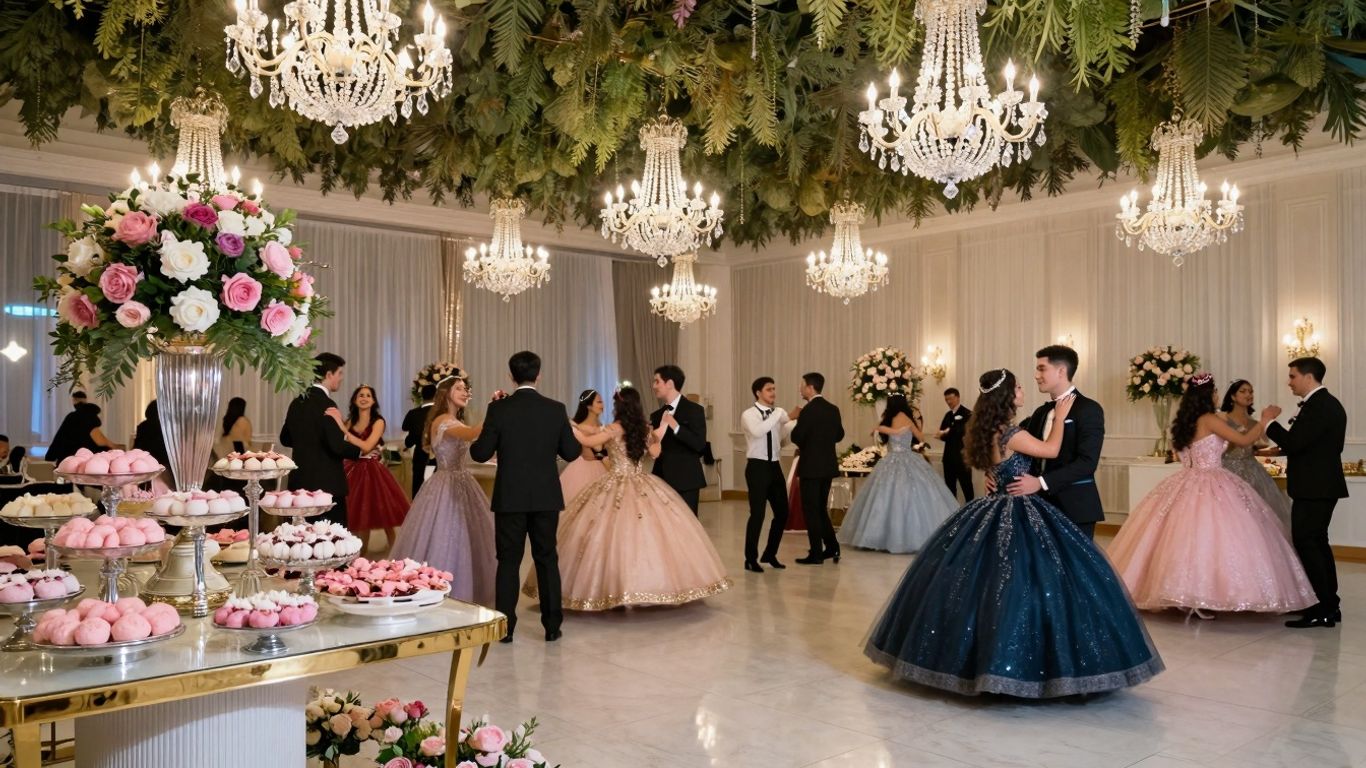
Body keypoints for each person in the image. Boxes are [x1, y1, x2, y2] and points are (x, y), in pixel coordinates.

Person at [864, 369, 1163, 698]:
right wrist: (1061, 418)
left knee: (989, 579)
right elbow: (1049, 451)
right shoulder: (1008, 432)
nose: (1024, 389)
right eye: (1018, 387)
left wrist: (998, 476)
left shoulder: (986, 429)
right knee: (1023, 579)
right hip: (1019, 506)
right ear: (1007, 395)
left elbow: (997, 467)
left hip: (994, 504)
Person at [1107, 374, 1314, 618]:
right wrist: (1266, 419)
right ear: (1207, 395)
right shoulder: (1208, 419)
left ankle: (1183, 593)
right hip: (1212, 480)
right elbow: (1245, 439)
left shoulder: (1184, 422)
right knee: (1212, 538)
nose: (1218, 395)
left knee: (1184, 539)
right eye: (1214, 391)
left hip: (1185, 480)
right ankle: (1201, 595)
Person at [525, 387, 731, 610]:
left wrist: (568, 425)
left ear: (619, 407)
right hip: (642, 481)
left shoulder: (614, 428)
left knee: (607, 534)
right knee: (652, 535)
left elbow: (586, 439)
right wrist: (661, 430)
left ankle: (615, 589)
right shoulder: (643, 428)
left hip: (615, 482)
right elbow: (655, 453)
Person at [469, 351, 580, 643]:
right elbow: (572, 452)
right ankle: (552, 625)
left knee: (508, 561)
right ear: (538, 374)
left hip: (510, 497)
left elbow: (479, 453)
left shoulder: (499, 410)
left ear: (510, 376)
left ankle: (505, 627)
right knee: (547, 559)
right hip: (545, 496)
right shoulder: (556, 409)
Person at [390, 373, 495, 606]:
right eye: (459, 388)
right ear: (446, 393)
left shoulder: (454, 419)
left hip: (463, 479)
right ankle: (442, 592)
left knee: (470, 537)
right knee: (446, 534)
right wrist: (494, 410)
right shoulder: (443, 420)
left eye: (466, 389)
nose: (465, 392)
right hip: (446, 482)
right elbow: (470, 434)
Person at [1266, 357, 1349, 629]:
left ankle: (1322, 608)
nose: (1289, 382)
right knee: (1317, 543)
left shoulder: (1320, 405)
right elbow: (1307, 444)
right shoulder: (1324, 404)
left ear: (1308, 377)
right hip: (1320, 485)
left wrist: (1268, 423)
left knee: (1308, 544)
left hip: (1315, 487)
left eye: (1292, 376)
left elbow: (1295, 442)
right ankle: (1328, 604)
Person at [1002, 345, 1105, 539]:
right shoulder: (1041, 412)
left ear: (1061, 371)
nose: (1036, 375)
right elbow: (1023, 454)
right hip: (1037, 505)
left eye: (1041, 368)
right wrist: (996, 474)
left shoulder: (1089, 409)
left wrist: (1041, 482)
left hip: (1075, 507)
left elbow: (1087, 462)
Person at [838, 394, 958, 554]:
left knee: (884, 498)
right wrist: (908, 430)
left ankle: (880, 538)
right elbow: (921, 437)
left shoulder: (892, 418)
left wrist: (882, 429)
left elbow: (891, 432)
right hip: (907, 458)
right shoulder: (906, 417)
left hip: (893, 459)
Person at [280, 353, 361, 527]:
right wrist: (358, 451)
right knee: (330, 542)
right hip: (327, 486)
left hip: (299, 483)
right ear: (329, 375)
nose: (341, 378)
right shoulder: (328, 405)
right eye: (340, 373)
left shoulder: (296, 402)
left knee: (301, 540)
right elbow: (336, 446)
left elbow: (285, 438)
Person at [340, 385, 410, 555]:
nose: (364, 398)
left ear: (373, 401)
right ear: (355, 400)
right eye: (360, 395)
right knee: (356, 512)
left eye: (368, 395)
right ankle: (357, 554)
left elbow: (367, 446)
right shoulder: (349, 421)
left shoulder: (378, 421)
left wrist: (346, 433)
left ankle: (394, 551)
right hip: (352, 468)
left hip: (372, 470)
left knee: (382, 511)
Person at [1219, 379, 1292, 529]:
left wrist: (1264, 449)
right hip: (1228, 469)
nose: (1248, 394)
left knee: (1258, 513)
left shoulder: (1254, 422)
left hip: (1252, 469)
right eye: (1243, 391)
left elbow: (1260, 444)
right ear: (1232, 396)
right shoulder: (1222, 419)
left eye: (1251, 391)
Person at [789, 372, 845, 565]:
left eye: (802, 385)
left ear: (810, 387)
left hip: (811, 467)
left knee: (811, 511)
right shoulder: (833, 409)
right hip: (828, 466)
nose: (800, 389)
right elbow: (839, 435)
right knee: (820, 509)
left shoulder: (807, 411)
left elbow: (796, 437)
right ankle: (832, 547)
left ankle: (816, 553)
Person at [739, 377, 792, 572]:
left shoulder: (776, 415)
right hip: (757, 468)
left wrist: (791, 425)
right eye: (769, 389)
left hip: (774, 466)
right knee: (758, 514)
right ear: (758, 393)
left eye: (774, 389)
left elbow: (782, 439)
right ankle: (750, 558)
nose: (773, 393)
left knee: (782, 512)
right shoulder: (749, 414)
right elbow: (758, 431)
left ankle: (770, 553)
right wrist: (779, 414)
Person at [648, 365, 708, 515]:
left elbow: (699, 445)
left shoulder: (694, 410)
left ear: (669, 384)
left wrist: (676, 428)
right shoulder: (656, 415)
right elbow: (656, 448)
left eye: (657, 381)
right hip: (661, 479)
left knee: (688, 527)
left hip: (686, 479)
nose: (653, 386)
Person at [560, 389, 609, 507]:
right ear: (589, 406)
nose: (602, 405)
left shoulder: (604, 428)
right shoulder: (579, 428)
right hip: (583, 470)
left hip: (604, 468)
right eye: (599, 402)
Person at [46, 402, 118, 464]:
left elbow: (58, 439)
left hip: (64, 462)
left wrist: (50, 457)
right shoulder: (90, 420)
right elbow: (103, 442)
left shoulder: (71, 417)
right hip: (81, 464)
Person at [936, 388, 974, 500]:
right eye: (946, 400)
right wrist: (945, 433)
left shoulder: (968, 414)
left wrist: (948, 431)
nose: (948, 402)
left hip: (963, 458)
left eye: (950, 399)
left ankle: (971, 512)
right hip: (948, 458)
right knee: (950, 489)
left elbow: (964, 432)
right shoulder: (947, 415)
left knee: (967, 487)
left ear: (957, 397)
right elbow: (941, 434)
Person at [402, 384, 436, 500]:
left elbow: (407, 430)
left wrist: (408, 443)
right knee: (436, 486)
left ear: (421, 396)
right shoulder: (442, 413)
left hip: (420, 455)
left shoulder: (413, 413)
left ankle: (417, 512)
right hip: (439, 455)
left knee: (418, 484)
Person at [132, 400, 172, 492]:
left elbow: (137, 447)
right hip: (164, 463)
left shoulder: (142, 426)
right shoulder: (168, 426)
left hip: (144, 463)